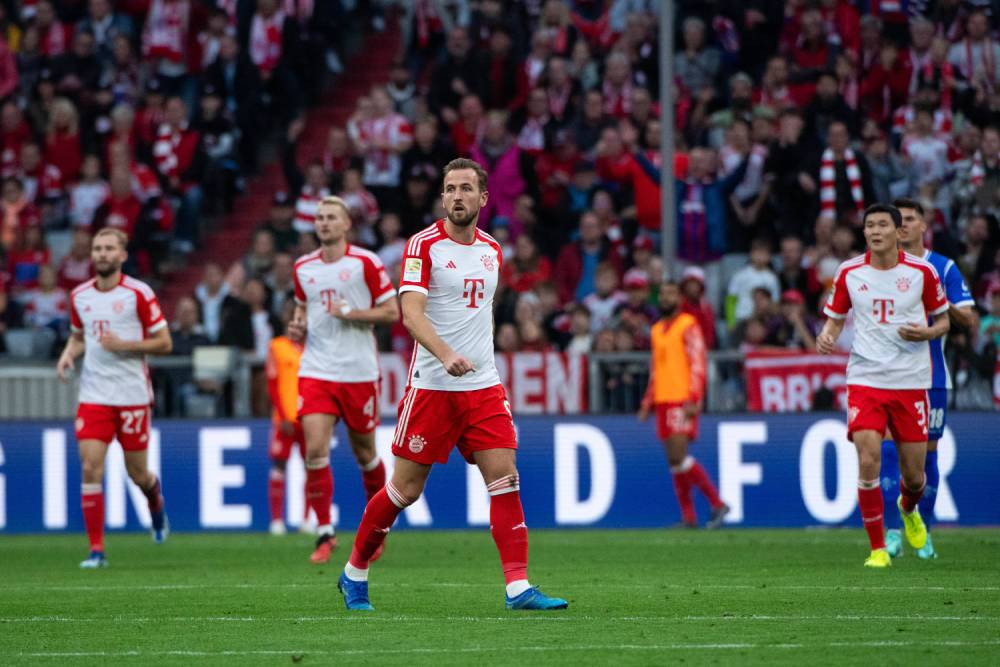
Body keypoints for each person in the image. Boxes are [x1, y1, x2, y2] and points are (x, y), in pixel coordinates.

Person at [338, 158, 568, 612]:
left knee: (505, 480)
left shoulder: (492, 251)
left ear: (483, 198)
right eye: (449, 189)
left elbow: (478, 315)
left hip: (483, 387)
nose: (457, 196)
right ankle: (354, 573)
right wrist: (446, 355)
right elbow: (412, 314)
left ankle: (518, 588)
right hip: (432, 386)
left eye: (466, 188)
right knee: (404, 491)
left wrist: (475, 357)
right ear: (442, 197)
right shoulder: (423, 246)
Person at [817, 203, 949, 568]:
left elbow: (943, 321)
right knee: (868, 458)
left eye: (882, 225)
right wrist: (826, 337)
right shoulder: (849, 272)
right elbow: (835, 320)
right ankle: (877, 549)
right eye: (869, 226)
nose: (875, 231)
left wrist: (927, 332)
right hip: (866, 379)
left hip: (911, 381)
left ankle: (909, 511)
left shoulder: (922, 272)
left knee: (914, 475)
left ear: (897, 231)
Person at [288, 196, 398, 564]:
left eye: (331, 217)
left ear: (346, 223)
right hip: (317, 369)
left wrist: (352, 313)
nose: (323, 223)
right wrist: (298, 323)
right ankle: (324, 532)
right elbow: (303, 307)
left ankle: (377, 529)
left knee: (365, 453)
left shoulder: (365, 262)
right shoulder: (303, 267)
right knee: (315, 450)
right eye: (319, 218)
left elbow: (392, 311)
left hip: (358, 371)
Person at [55, 228, 172, 568]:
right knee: (90, 466)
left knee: (137, 473)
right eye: (97, 248)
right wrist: (68, 354)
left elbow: (164, 343)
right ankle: (96, 551)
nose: (102, 254)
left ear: (122, 255)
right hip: (94, 395)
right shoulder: (80, 296)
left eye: (109, 248)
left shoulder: (138, 293)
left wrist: (126, 345)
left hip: (132, 395)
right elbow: (80, 336)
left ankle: (154, 500)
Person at [880, 199, 976, 560]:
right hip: (888, 376)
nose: (901, 226)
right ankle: (892, 533)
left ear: (924, 226)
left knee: (924, 461)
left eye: (908, 220)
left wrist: (935, 295)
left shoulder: (943, 267)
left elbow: (967, 318)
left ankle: (925, 532)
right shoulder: (879, 267)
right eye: (897, 220)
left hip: (931, 377)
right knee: (889, 450)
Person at [639, 281, 729, 529]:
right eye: (663, 294)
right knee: (674, 461)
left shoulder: (688, 325)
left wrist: (694, 397)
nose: (666, 298)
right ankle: (689, 516)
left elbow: (698, 361)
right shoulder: (657, 329)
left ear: (679, 298)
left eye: (671, 293)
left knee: (680, 455)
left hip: (681, 398)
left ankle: (718, 503)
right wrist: (648, 400)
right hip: (663, 399)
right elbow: (656, 368)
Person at [265, 301, 306, 536]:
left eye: (299, 319)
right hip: (285, 418)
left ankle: (306, 520)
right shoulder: (277, 346)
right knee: (279, 465)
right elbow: (272, 385)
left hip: (308, 417)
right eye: (292, 318)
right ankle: (277, 520)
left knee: (312, 466)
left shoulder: (312, 347)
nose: (296, 323)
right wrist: (282, 414)